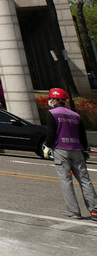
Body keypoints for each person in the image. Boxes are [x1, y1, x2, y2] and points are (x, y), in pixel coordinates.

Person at [44, 87, 97, 220]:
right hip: (77, 149)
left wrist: (47, 146)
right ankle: (94, 209)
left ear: (56, 100)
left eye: (51, 99)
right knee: (85, 180)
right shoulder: (76, 115)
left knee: (66, 181)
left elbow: (51, 133)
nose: (50, 101)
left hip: (61, 150)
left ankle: (74, 211)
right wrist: (84, 149)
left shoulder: (52, 113)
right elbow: (82, 136)